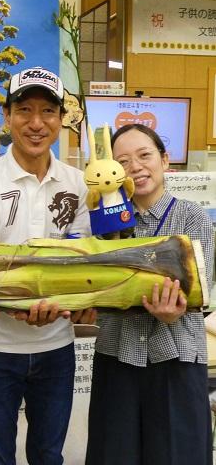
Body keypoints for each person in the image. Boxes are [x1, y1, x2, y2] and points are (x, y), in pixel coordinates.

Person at [0, 66, 95, 465]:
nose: (36, 123)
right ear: (7, 117)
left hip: (57, 346)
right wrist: (26, 303)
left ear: (60, 120)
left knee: (49, 454)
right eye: (24, 110)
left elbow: (80, 260)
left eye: (48, 112)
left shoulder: (78, 183)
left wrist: (79, 300)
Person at [85, 123, 214, 465]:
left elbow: (202, 291)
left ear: (164, 159)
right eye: (122, 161)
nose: (135, 167)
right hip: (117, 357)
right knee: (115, 454)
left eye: (145, 155)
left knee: (177, 455)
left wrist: (179, 309)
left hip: (177, 359)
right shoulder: (104, 223)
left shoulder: (193, 217)